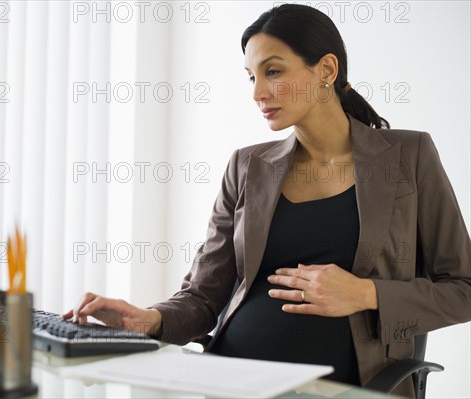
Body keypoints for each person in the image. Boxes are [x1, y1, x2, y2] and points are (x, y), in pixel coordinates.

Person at [63, 4, 471, 396]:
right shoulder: (247, 165)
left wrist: (367, 294)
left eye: (272, 72)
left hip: (348, 388)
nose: (258, 92)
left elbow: (463, 287)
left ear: (326, 69)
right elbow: (205, 297)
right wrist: (148, 319)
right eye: (251, 77)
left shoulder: (408, 157)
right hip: (233, 380)